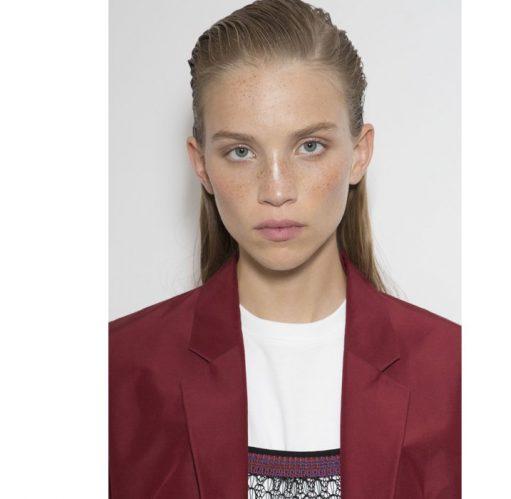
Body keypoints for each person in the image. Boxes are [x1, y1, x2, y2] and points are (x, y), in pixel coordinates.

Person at [109, 0, 461, 497]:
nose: (276, 190)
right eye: (241, 151)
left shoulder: (456, 375)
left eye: (309, 146)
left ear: (359, 153)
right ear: (201, 164)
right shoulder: (117, 371)